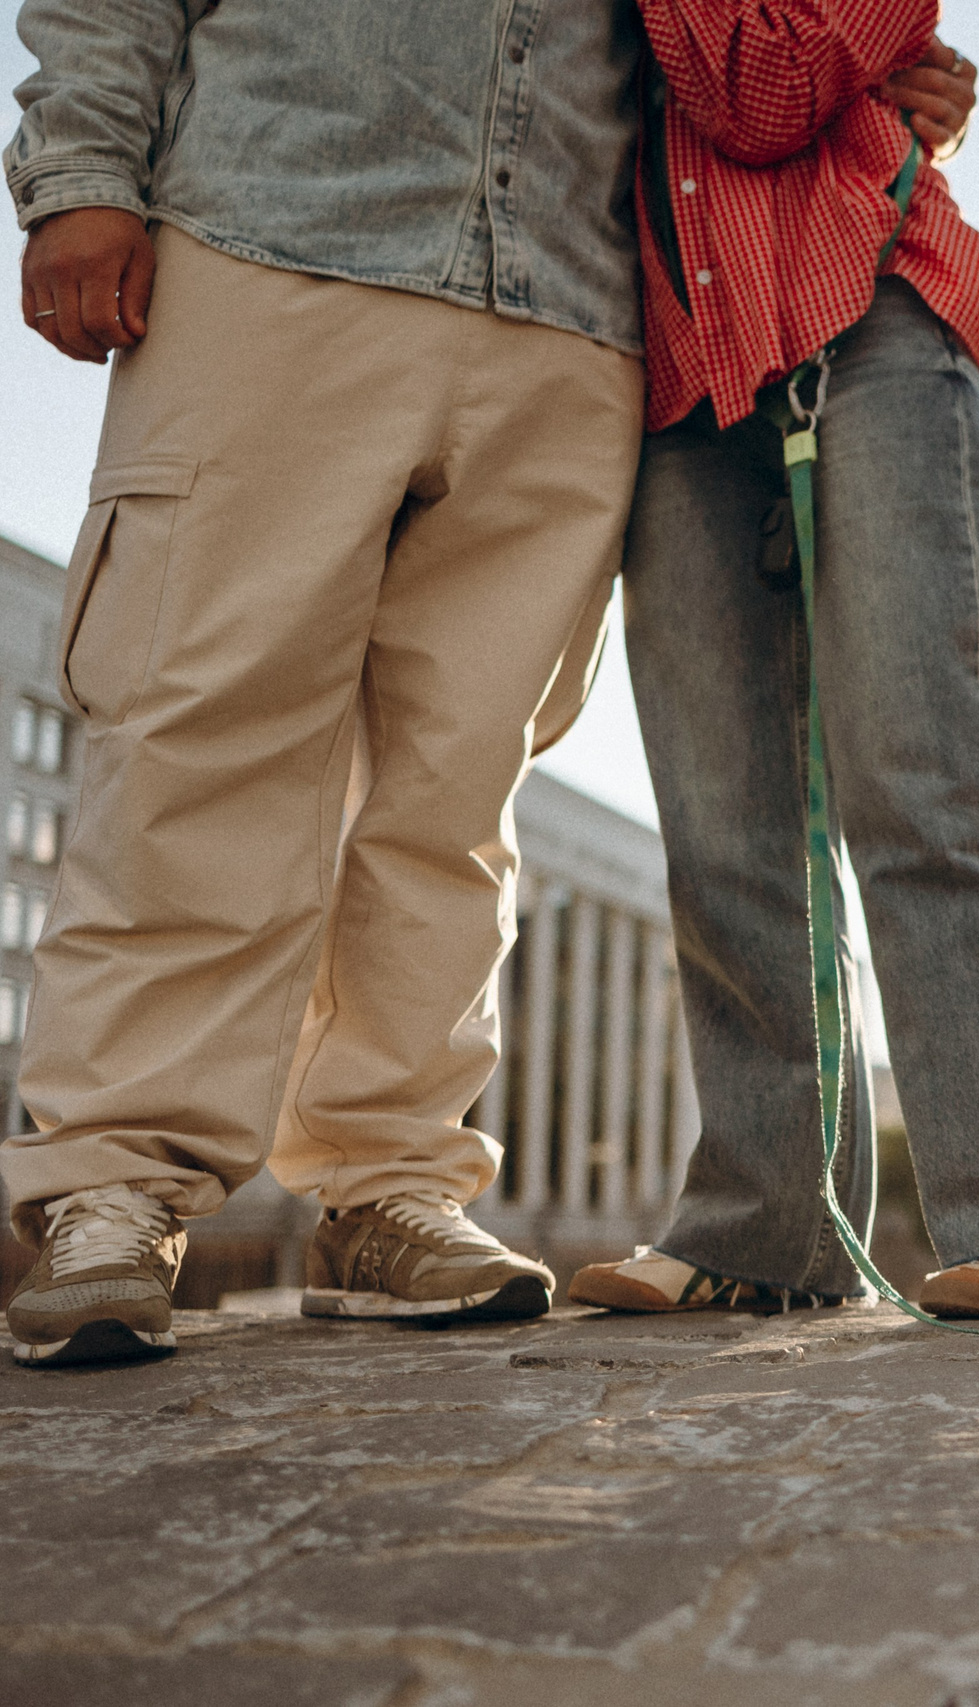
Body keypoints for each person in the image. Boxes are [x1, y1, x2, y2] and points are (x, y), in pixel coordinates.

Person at [2, 2, 651, 1364]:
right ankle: (109, 1184)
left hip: (568, 304)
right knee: (197, 732)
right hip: (270, 240)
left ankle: (390, 1187)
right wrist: (77, 177)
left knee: (459, 791)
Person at [564, 3, 979, 1321]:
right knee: (724, 823)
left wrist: (871, 69)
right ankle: (768, 1228)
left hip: (868, 327)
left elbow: (757, 86)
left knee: (926, 771)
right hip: (680, 374)